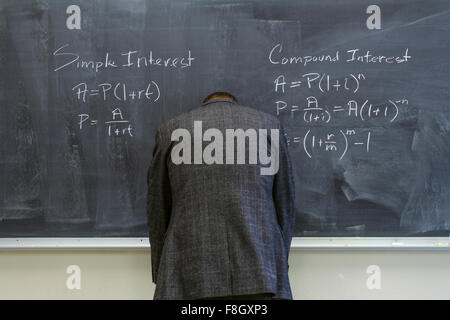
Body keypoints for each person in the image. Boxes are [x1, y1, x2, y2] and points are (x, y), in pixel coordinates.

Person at [147, 92, 295, 300]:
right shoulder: (269, 126)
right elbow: (285, 204)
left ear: (205, 104)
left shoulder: (170, 131)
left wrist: (162, 270)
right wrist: (278, 263)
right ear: (234, 102)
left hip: (186, 272)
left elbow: (157, 210)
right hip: (261, 272)